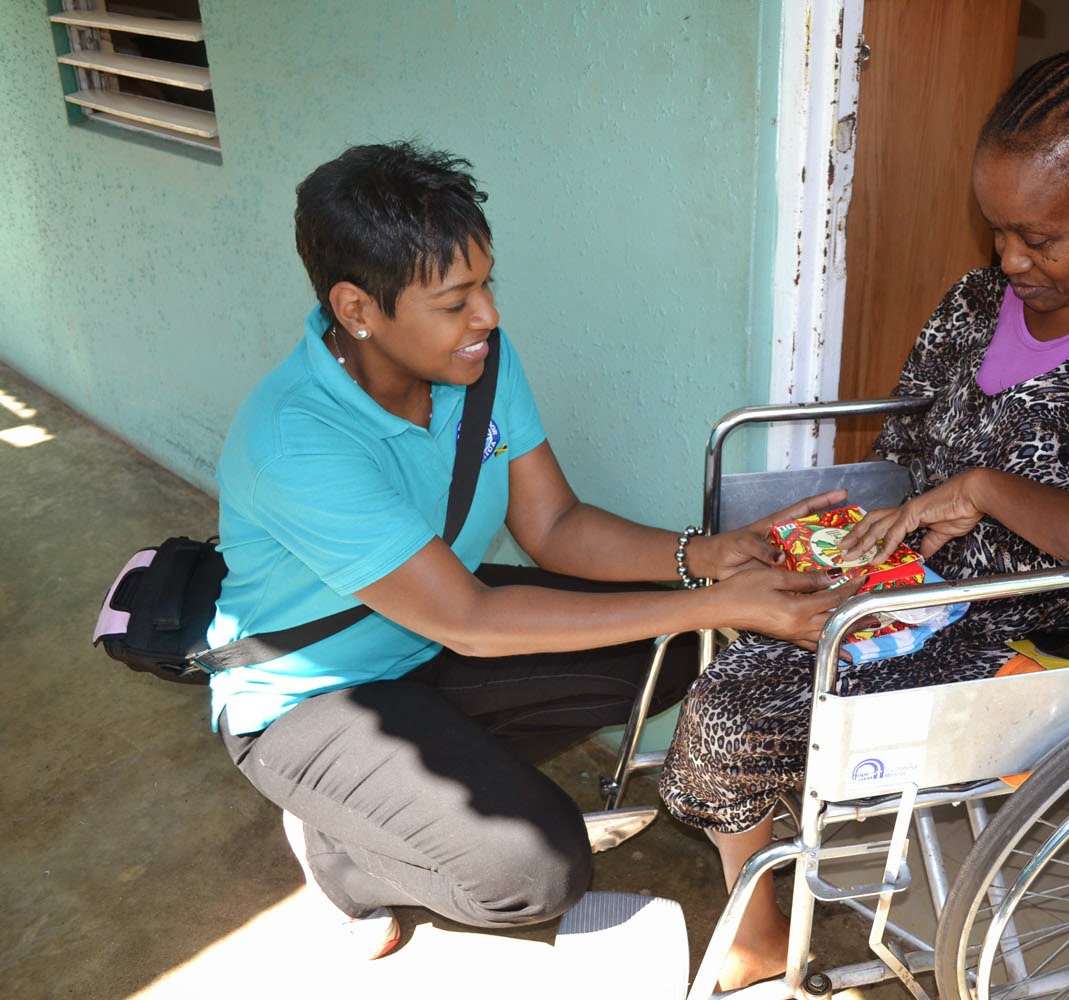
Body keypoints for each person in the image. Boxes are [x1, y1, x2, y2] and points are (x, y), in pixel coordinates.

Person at [658, 49, 1069, 989]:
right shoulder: (983, 300)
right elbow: (909, 440)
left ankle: (761, 916)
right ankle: (763, 921)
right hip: (927, 586)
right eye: (998, 231)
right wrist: (857, 535)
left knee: (736, 714)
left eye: (1038, 237)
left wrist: (983, 491)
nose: (1009, 259)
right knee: (742, 636)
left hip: (1055, 630)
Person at [206, 140, 849, 959]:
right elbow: (472, 620)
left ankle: (413, 795)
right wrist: (716, 602)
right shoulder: (295, 438)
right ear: (358, 308)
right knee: (535, 873)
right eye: (455, 301)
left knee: (681, 649)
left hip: (427, 646)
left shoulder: (479, 363)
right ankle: (341, 854)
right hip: (312, 697)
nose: (488, 317)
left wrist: (707, 558)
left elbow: (555, 526)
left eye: (487, 285)